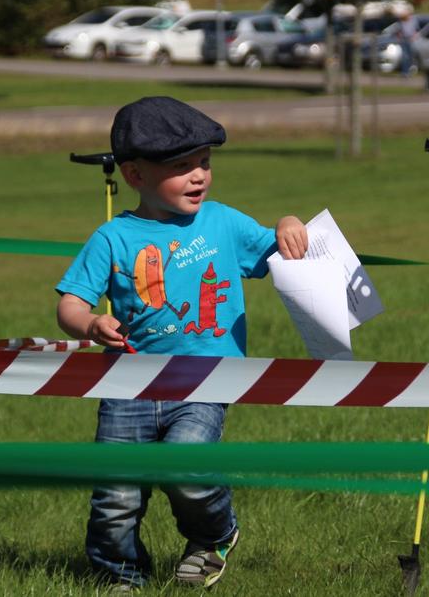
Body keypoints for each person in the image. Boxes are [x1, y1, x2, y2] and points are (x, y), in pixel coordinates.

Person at [55, 96, 308, 590]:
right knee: (116, 497)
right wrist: (88, 325)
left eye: (205, 163)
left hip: (205, 379)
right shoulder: (112, 238)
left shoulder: (222, 224)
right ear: (134, 175)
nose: (199, 176)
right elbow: (69, 303)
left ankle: (213, 535)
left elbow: (279, 247)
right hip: (127, 386)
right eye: (181, 166)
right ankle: (120, 576)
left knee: (189, 468)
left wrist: (289, 222)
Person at [397, 9, 418, 77]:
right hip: (404, 39)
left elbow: (416, 30)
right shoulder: (402, 21)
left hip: (410, 39)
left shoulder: (413, 21)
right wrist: (399, 36)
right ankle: (404, 72)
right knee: (405, 56)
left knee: (410, 57)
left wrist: (414, 37)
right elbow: (400, 30)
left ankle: (410, 71)